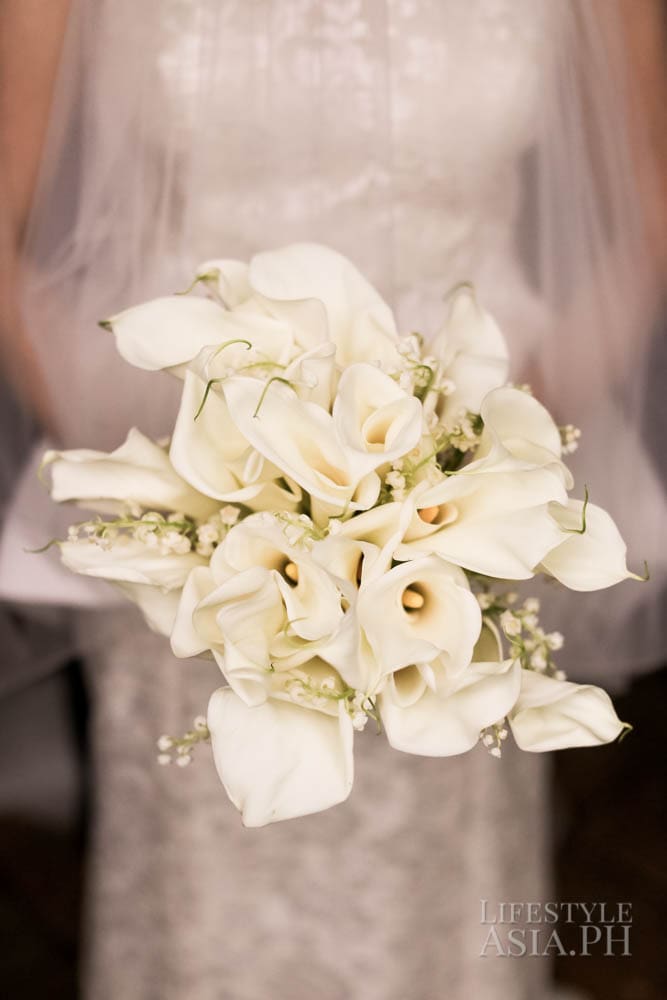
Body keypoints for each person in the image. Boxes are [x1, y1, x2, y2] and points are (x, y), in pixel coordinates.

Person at [1, 2, 665, 998]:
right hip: (201, 480)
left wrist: (487, 457)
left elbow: (648, 210)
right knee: (206, 878)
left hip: (462, 493)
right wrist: (167, 485)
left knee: (440, 862)